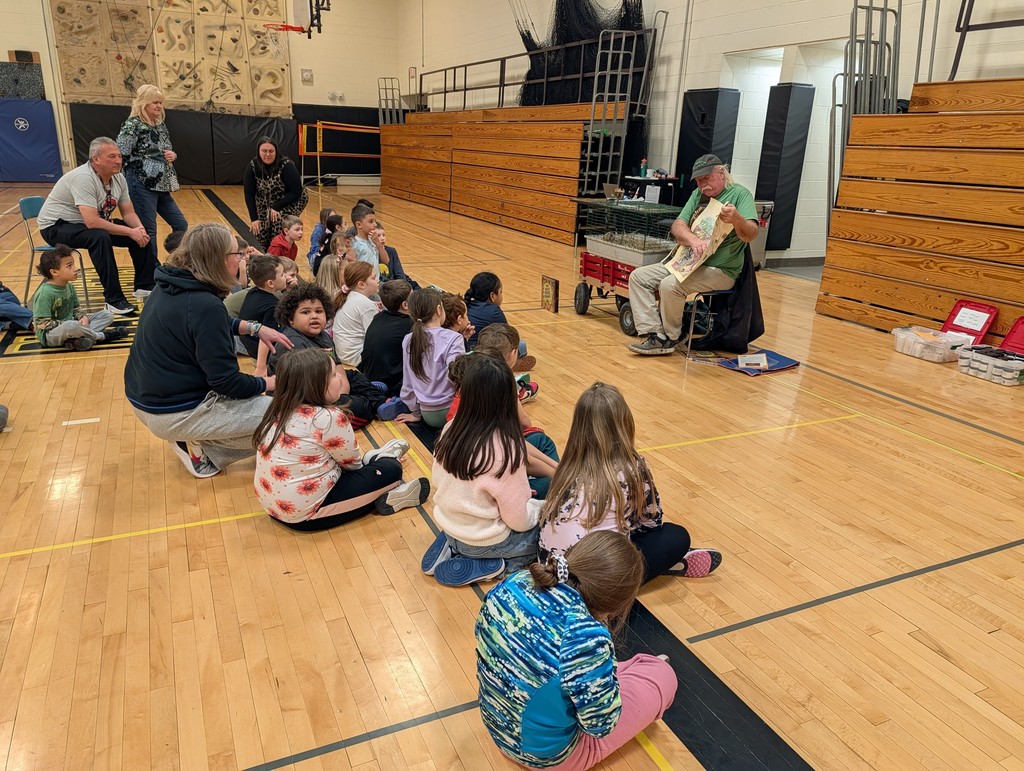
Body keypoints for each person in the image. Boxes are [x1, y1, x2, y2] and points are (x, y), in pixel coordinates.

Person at [474, 531, 676, 770]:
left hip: (497, 725)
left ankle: (623, 674)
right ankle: (649, 670)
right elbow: (600, 726)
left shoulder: (514, 582)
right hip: (544, 758)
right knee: (663, 675)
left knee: (578, 677)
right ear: (617, 605)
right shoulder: (585, 637)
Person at [124, 222, 292, 478]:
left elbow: (197, 322)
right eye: (237, 255)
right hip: (173, 412)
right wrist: (270, 383)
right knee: (286, 416)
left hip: (145, 400)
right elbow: (227, 383)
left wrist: (253, 328)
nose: (241, 260)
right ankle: (204, 453)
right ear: (219, 260)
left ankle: (193, 437)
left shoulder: (171, 283)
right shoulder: (205, 304)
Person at [539, 382, 722, 582]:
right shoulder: (631, 467)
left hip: (550, 571)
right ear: (625, 423)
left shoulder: (567, 465)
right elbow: (651, 522)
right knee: (676, 536)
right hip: (597, 586)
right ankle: (669, 563)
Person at [253, 348, 429, 530]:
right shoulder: (329, 417)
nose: (339, 379)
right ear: (317, 384)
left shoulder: (277, 409)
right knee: (391, 470)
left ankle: (379, 468)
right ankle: (385, 472)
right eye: (334, 375)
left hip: (272, 507)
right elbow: (352, 465)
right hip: (308, 516)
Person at [423, 354, 539, 587]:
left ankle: (453, 545)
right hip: (486, 539)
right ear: (508, 399)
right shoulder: (506, 447)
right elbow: (519, 521)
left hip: (450, 523)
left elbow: (438, 478)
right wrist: (540, 511)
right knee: (550, 532)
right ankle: (499, 565)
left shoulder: (451, 428)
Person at [627, 154, 758, 355]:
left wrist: (737, 219)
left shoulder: (740, 194)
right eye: (698, 180)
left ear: (721, 173)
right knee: (639, 277)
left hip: (721, 270)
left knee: (670, 285)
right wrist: (693, 240)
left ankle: (672, 336)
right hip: (688, 263)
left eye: (707, 178)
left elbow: (751, 234)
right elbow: (678, 225)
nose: (703, 184)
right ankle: (654, 333)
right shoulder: (698, 195)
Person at [37, 136, 157, 315]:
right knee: (99, 236)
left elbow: (129, 213)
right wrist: (130, 231)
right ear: (96, 159)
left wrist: (138, 230)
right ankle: (113, 299)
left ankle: (144, 285)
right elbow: (92, 222)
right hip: (55, 227)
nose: (118, 161)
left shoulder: (119, 179)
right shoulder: (83, 177)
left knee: (141, 233)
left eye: (119, 156)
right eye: (112, 157)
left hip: (85, 225)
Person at [262, 283, 389, 427]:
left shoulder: (323, 336)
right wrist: (343, 397)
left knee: (354, 376)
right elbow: (310, 392)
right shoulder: (293, 345)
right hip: (303, 403)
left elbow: (338, 367)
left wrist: (343, 391)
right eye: (305, 312)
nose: (314, 316)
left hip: (327, 387)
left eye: (319, 311)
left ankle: (380, 403)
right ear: (290, 319)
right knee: (361, 408)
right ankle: (370, 399)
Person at [115, 84, 187, 271]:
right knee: (148, 230)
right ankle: (151, 272)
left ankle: (178, 263)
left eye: (161, 103)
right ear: (143, 103)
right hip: (141, 183)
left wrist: (173, 155)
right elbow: (121, 153)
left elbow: (164, 150)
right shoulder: (133, 124)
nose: (158, 106)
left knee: (181, 224)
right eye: (154, 102)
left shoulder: (160, 125)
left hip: (162, 185)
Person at [31, 246, 128, 351]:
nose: (76, 268)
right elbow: (42, 324)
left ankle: (75, 341)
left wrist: (82, 317)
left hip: (72, 326)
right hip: (50, 336)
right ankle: (102, 336)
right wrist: (72, 324)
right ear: (54, 272)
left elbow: (76, 308)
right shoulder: (45, 293)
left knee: (107, 315)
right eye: (69, 266)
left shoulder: (69, 286)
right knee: (72, 326)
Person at [397, 287, 465, 428]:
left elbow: (408, 382)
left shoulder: (409, 339)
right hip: (451, 411)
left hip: (426, 413)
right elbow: (459, 377)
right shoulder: (454, 338)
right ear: (439, 310)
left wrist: (415, 412)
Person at [243, 136, 309, 251]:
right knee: (261, 232)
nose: (268, 154)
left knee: (279, 231)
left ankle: (281, 257)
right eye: (264, 151)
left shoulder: (287, 165)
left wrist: (277, 206)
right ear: (259, 152)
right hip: (265, 202)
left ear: (276, 151)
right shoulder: (252, 167)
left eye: (271, 151)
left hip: (289, 200)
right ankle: (266, 257)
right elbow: (249, 194)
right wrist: (254, 219)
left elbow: (296, 191)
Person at [464, 271, 534, 371]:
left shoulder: (466, 304)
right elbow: (509, 337)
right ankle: (510, 364)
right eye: (501, 292)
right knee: (521, 346)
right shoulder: (494, 311)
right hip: (483, 355)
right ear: (492, 296)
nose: (501, 295)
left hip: (465, 351)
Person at [359, 279, 413, 398]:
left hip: (369, 375)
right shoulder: (409, 325)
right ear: (405, 305)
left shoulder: (378, 316)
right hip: (391, 383)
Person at [332, 261, 380, 368]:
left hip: (343, 355)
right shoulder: (364, 304)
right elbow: (376, 336)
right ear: (361, 284)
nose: (378, 280)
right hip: (357, 358)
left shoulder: (351, 296)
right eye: (373, 278)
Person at [238, 255, 287, 359]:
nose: (286, 277)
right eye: (282, 275)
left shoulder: (253, 291)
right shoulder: (272, 307)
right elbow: (267, 338)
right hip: (255, 349)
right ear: (270, 283)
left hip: (244, 339)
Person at [350, 203, 388, 275]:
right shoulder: (354, 244)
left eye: (375, 221)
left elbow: (386, 261)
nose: (375, 224)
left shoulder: (374, 240)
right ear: (359, 225)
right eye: (371, 221)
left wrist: (378, 244)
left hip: (376, 282)